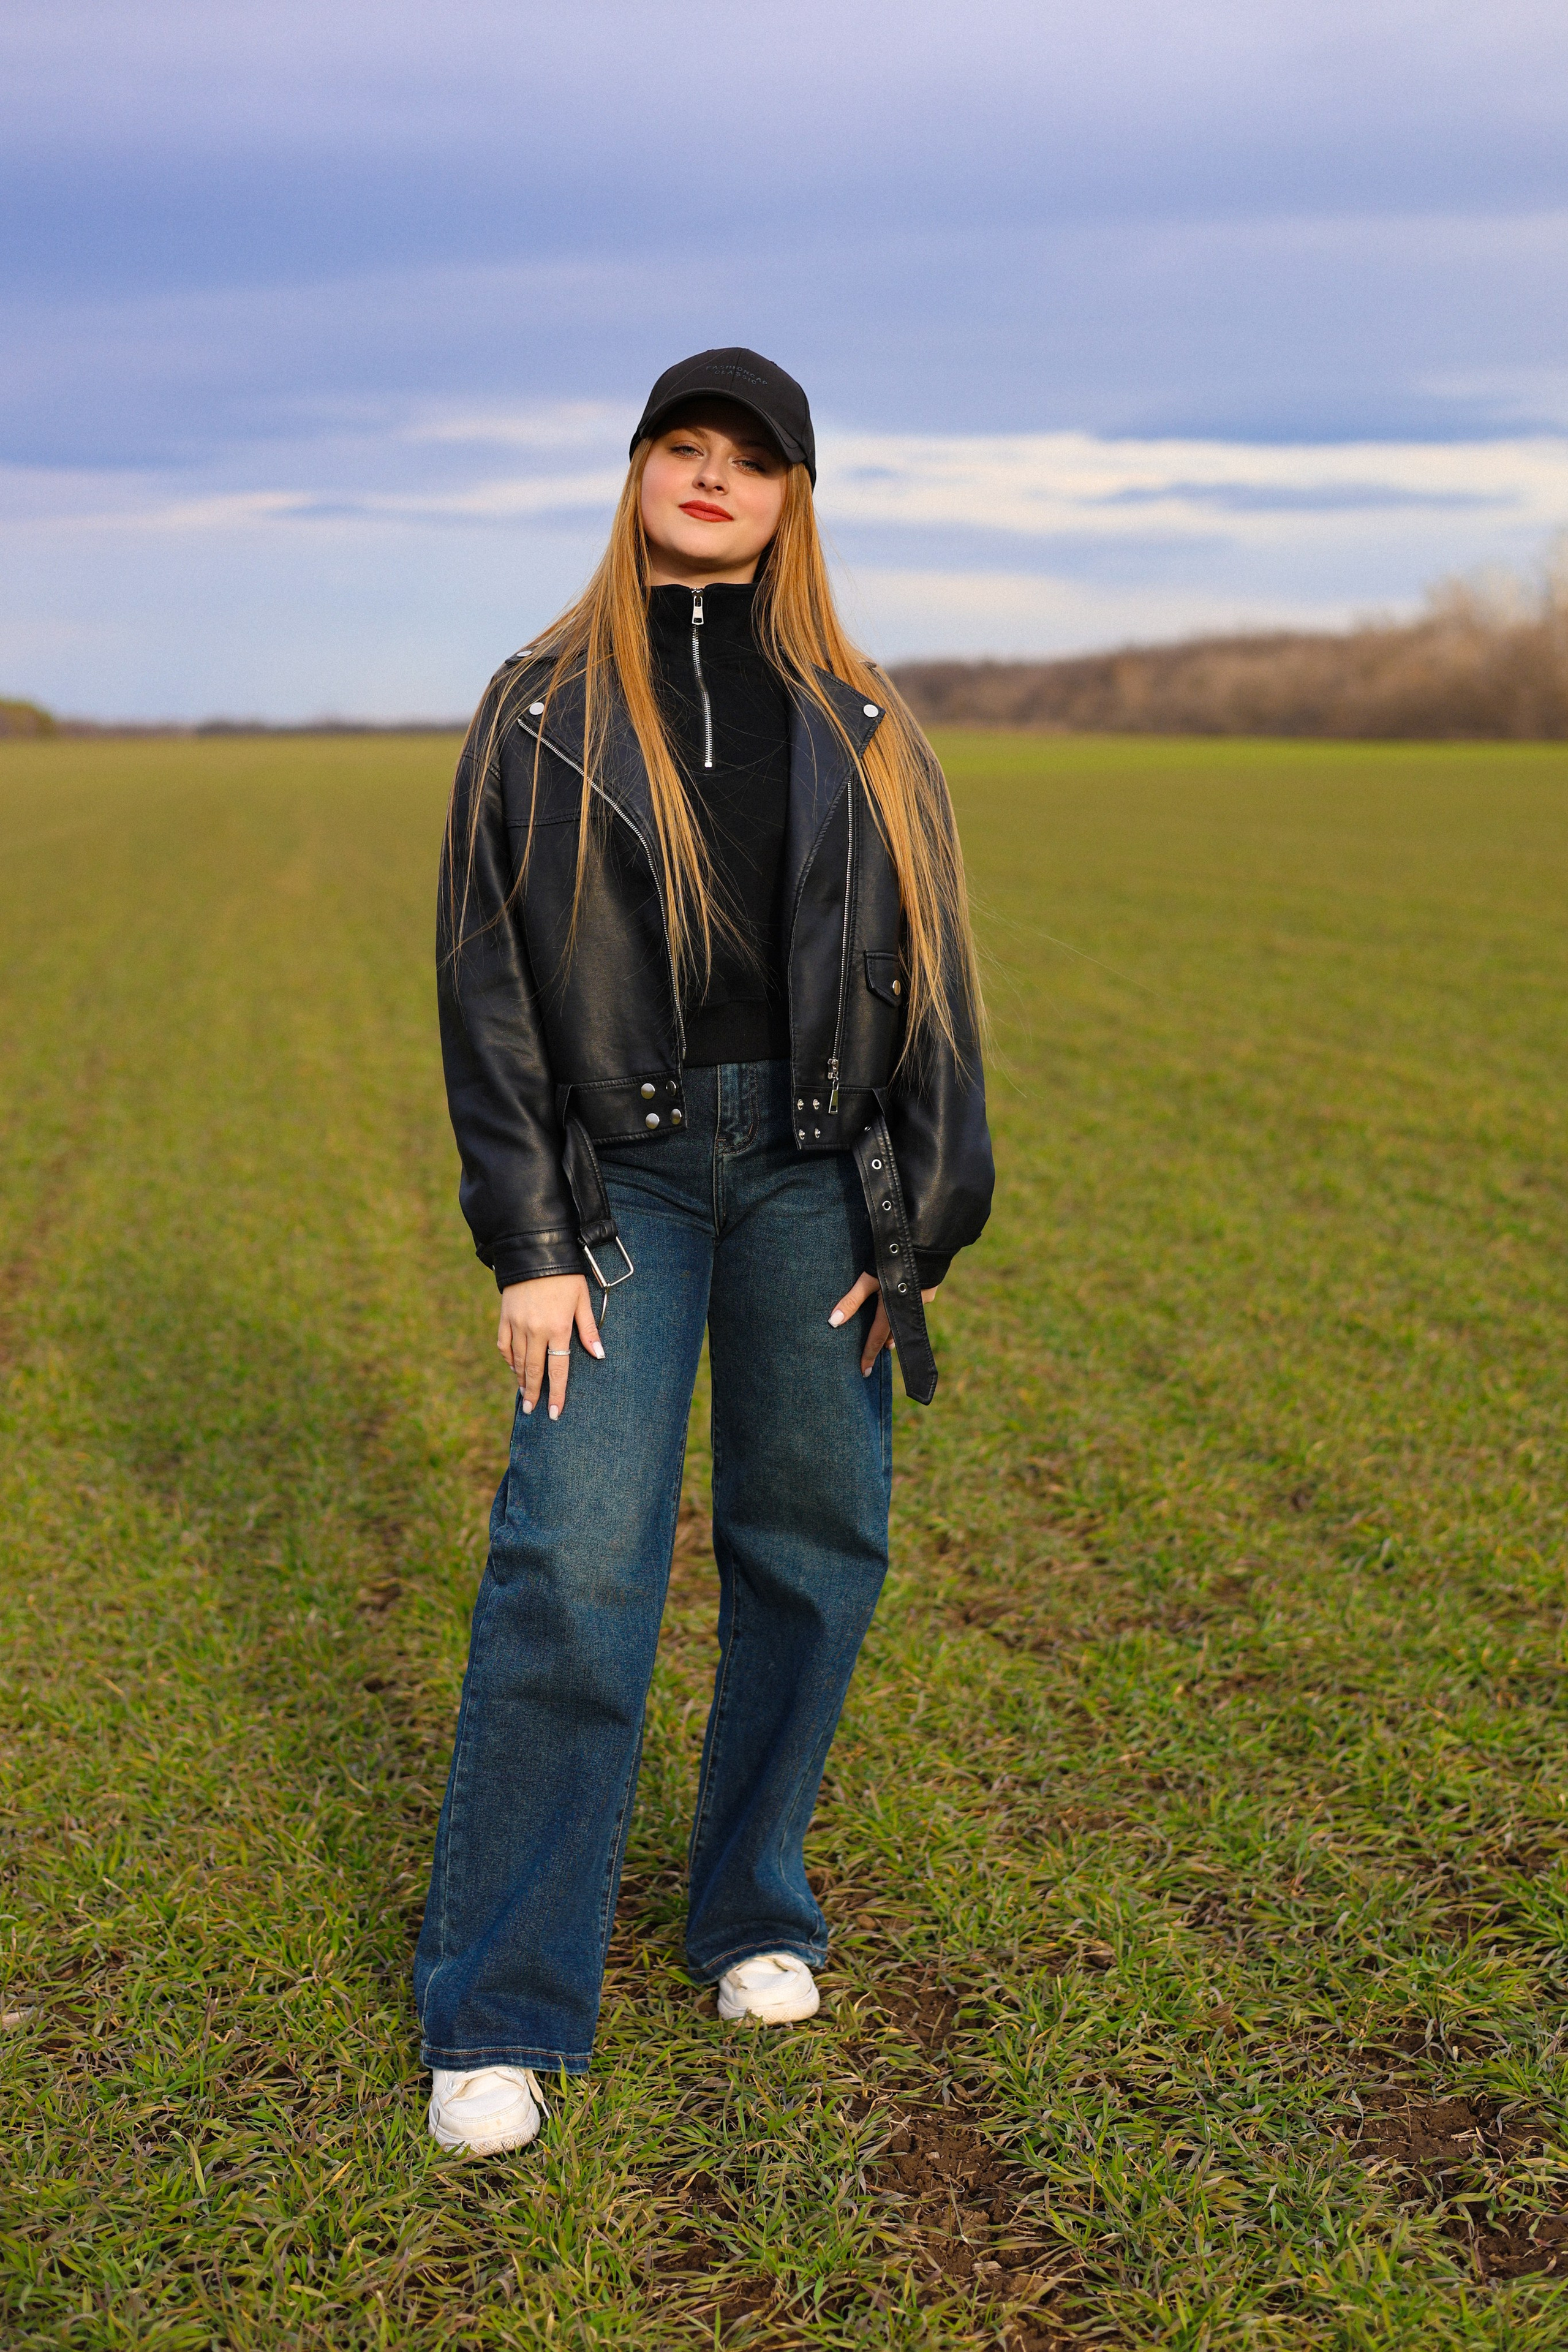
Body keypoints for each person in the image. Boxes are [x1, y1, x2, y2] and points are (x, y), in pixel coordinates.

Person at [415, 348, 994, 2156]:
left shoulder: (865, 723)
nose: (717, 478)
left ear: (794, 497)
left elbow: (939, 1003)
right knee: (576, 1573)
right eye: (688, 447)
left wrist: (910, 1229)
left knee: (813, 1550)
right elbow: (488, 991)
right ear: (641, 471)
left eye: (754, 459)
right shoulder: (536, 711)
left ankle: (749, 1907)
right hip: (625, 1186)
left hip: (819, 1182)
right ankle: (502, 2009)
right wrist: (531, 1240)